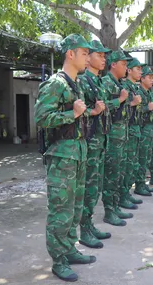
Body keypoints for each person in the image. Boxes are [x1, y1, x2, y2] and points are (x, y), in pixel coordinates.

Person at [34, 34, 99, 282]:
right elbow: (41, 118)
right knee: (60, 210)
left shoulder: (76, 84)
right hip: (62, 155)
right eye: (84, 53)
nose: (88, 57)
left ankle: (70, 249)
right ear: (70, 54)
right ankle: (58, 260)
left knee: (75, 208)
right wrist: (71, 114)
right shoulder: (55, 84)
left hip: (78, 153)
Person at [77, 40, 111, 249]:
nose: (103, 59)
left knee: (95, 186)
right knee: (88, 187)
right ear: (88, 58)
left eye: (104, 56)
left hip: (100, 141)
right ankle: (84, 230)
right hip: (89, 141)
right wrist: (94, 112)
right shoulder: (82, 81)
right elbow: (80, 110)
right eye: (100, 55)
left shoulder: (98, 82)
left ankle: (89, 225)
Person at [101, 50, 135, 225]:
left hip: (122, 136)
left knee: (119, 173)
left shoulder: (119, 83)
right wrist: (120, 100)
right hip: (112, 136)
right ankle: (109, 211)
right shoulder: (106, 83)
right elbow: (101, 107)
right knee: (111, 175)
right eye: (123, 64)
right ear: (113, 64)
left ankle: (114, 207)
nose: (126, 68)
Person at [120, 58, 146, 209]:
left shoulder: (135, 88)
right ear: (129, 70)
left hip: (135, 130)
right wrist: (132, 104)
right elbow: (120, 111)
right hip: (127, 130)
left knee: (132, 164)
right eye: (138, 69)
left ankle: (126, 193)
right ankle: (122, 196)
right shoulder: (124, 87)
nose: (140, 72)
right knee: (126, 165)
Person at [135, 66, 153, 196]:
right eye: (149, 77)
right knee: (141, 159)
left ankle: (142, 183)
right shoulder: (139, 92)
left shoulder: (148, 92)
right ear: (142, 78)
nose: (151, 80)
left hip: (149, 130)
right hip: (142, 130)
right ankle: (139, 185)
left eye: (152, 78)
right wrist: (146, 108)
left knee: (146, 158)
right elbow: (135, 110)